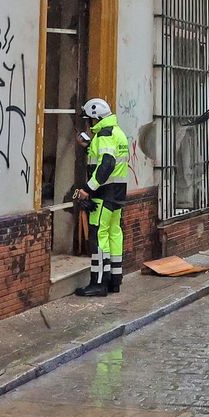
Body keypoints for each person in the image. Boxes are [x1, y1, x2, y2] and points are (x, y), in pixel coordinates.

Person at [72, 98, 130, 297]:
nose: (88, 124)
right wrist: (88, 145)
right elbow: (106, 156)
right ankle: (115, 280)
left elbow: (106, 164)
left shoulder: (104, 135)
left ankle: (98, 283)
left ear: (95, 119)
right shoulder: (117, 133)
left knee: (98, 236)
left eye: (89, 120)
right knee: (114, 233)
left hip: (103, 195)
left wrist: (88, 188)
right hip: (117, 194)